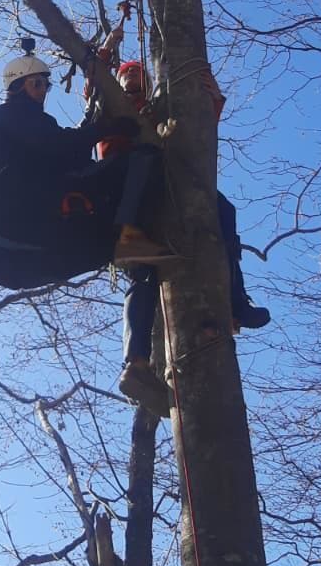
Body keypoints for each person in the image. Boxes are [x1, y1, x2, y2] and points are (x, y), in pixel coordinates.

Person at [106, 62, 271, 420]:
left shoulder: (158, 105)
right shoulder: (110, 102)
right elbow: (99, 102)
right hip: (128, 191)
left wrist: (211, 102)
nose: (132, 78)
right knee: (143, 272)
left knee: (222, 210)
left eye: (137, 74)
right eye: (126, 74)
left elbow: (195, 131)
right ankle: (136, 362)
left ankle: (236, 301)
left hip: (166, 184)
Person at [0, 46, 171, 292]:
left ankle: (133, 256)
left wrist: (96, 128)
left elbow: (70, 155)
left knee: (114, 247)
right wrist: (106, 128)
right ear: (17, 87)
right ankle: (129, 235)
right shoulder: (11, 115)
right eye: (37, 84)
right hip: (18, 221)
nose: (42, 92)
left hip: (17, 258)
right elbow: (58, 146)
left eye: (46, 86)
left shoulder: (24, 131)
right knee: (144, 158)